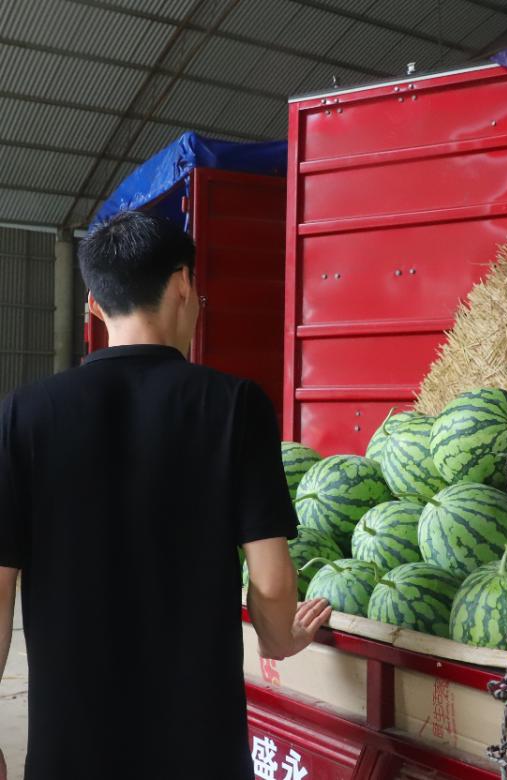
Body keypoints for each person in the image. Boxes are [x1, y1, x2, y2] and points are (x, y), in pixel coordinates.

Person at [0, 212, 331, 779]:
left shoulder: (22, 415)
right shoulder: (235, 406)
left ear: (94, 305)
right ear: (184, 284)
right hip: (200, 753)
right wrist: (280, 639)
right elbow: (272, 581)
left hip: (70, 755)